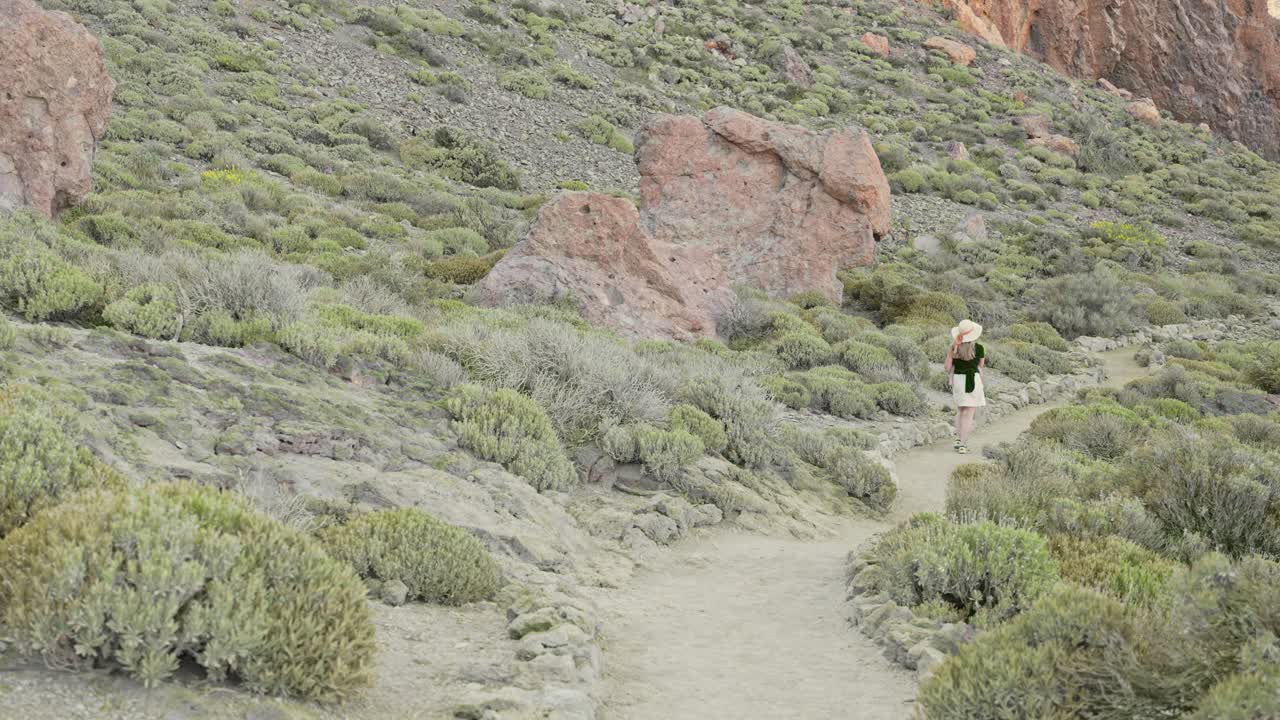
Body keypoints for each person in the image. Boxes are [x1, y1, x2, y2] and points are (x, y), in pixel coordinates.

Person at [943, 319, 986, 454]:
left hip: (958, 381)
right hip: (973, 380)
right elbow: (981, 366)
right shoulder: (979, 348)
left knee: (961, 411)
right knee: (969, 414)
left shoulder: (953, 348)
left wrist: (952, 355)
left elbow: (947, 367)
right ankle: (963, 443)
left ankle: (958, 438)